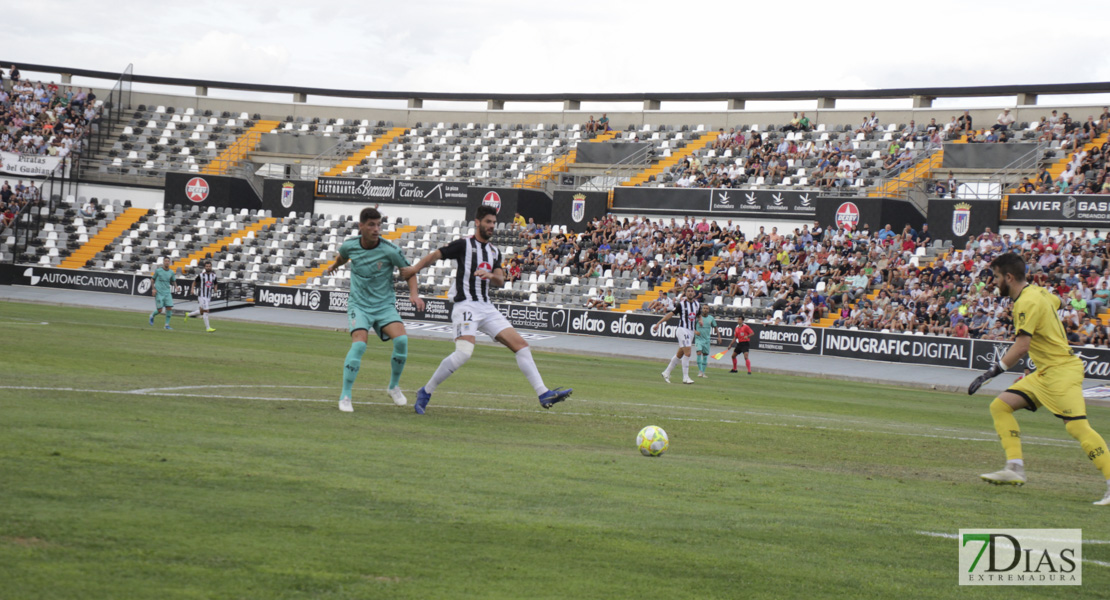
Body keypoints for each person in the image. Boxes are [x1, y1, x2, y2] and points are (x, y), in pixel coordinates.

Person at [968, 252, 1110, 505]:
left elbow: (1022, 346)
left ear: (1009, 277)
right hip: (1045, 371)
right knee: (1001, 405)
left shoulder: (1027, 302)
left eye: (997, 277)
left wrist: (994, 371)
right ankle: (1015, 467)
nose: (994, 282)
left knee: (1077, 427)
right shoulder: (1039, 293)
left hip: (1061, 371)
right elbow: (1058, 303)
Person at [401, 205, 572, 414]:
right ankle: (426, 391)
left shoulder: (493, 251)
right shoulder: (464, 245)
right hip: (465, 305)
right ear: (478, 222)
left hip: (486, 307)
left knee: (522, 346)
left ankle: (543, 392)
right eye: (488, 222)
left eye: (493, 222)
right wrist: (415, 269)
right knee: (464, 353)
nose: (492, 226)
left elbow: (501, 280)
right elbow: (436, 255)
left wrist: (490, 276)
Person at [326, 207, 421, 412]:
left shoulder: (390, 250)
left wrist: (414, 294)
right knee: (359, 345)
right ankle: (345, 395)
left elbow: (410, 272)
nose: (376, 229)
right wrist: (335, 266)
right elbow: (343, 257)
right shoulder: (350, 246)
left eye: (379, 225)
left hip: (383, 305)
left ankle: (393, 386)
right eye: (371, 225)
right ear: (361, 226)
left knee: (402, 340)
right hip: (359, 305)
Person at [654, 286, 700, 385]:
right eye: (688, 291)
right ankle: (685, 377)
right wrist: (658, 323)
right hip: (683, 330)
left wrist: (700, 321)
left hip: (691, 331)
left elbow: (698, 315)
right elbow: (670, 314)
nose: (690, 293)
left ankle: (666, 372)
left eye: (692, 291)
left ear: (694, 293)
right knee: (688, 353)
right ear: (685, 293)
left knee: (680, 354)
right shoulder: (681, 304)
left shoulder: (697, 304)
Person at [184, 260, 218, 333]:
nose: (208, 267)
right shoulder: (201, 275)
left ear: (211, 267)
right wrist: (192, 289)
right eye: (207, 266)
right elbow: (194, 282)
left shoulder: (213, 275)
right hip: (202, 295)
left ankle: (188, 314)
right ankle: (208, 328)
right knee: (206, 311)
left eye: (209, 266)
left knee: (202, 312)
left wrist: (215, 288)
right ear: (204, 267)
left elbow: (215, 283)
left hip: (208, 296)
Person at [148, 257, 176, 330]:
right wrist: (153, 289)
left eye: (168, 261)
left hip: (167, 293)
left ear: (169, 262)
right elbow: (152, 280)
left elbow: (173, 281)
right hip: (159, 293)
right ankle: (152, 315)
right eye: (165, 261)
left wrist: (176, 287)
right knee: (160, 310)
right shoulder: (158, 271)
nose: (166, 262)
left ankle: (166, 325)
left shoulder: (171, 272)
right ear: (163, 262)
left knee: (169, 308)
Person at [693, 304, 721, 378]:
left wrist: (719, 336)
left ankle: (703, 372)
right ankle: (700, 371)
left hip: (707, 339)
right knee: (699, 352)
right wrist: (695, 331)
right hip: (699, 339)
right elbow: (691, 326)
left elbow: (715, 327)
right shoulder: (698, 318)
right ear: (702, 309)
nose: (705, 309)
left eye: (707, 308)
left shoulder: (711, 318)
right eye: (704, 308)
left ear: (708, 310)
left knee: (705, 356)